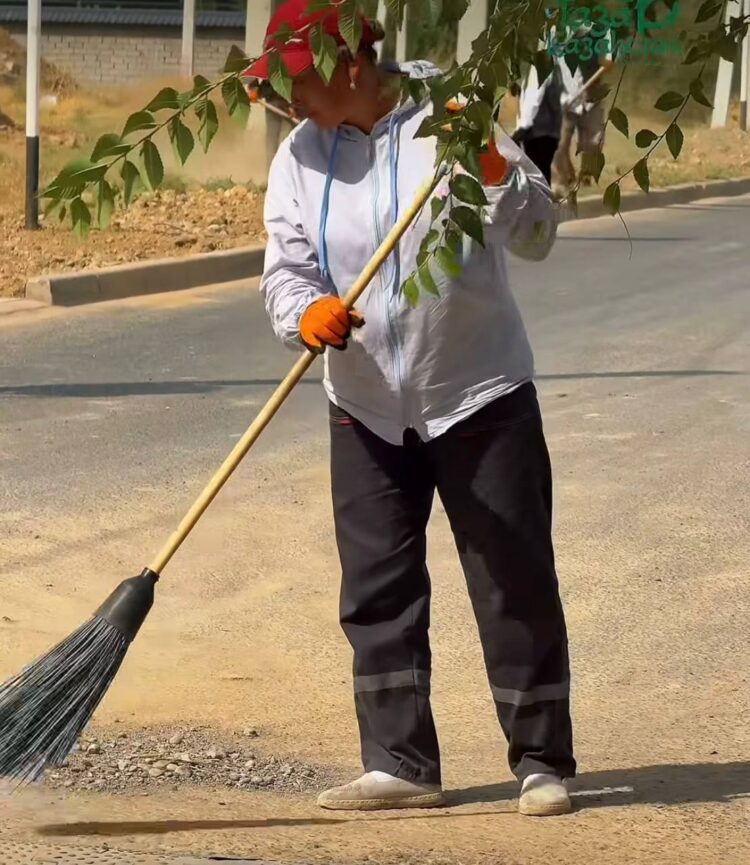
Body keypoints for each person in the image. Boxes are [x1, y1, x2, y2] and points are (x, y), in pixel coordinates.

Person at [248, 0, 576, 817]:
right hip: (363, 402)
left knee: (511, 577)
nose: (289, 101)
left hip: (476, 391)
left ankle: (540, 760)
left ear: (349, 64)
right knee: (377, 586)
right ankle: (400, 761)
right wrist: (305, 314)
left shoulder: (452, 118)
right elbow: (284, 269)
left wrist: (494, 168)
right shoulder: (299, 156)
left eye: (298, 82)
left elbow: (536, 232)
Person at [552, 26, 615, 191]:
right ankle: (566, 177)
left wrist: (606, 62)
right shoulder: (554, 32)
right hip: (564, 99)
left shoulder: (598, 31)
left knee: (594, 141)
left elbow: (607, 61)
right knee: (559, 144)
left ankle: (586, 176)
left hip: (590, 98)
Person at [512, 63, 564, 185]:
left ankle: (541, 200)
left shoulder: (538, 70)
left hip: (536, 131)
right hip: (548, 131)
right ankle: (543, 199)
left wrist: (522, 128)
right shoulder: (554, 72)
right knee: (543, 170)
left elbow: (532, 101)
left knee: (537, 171)